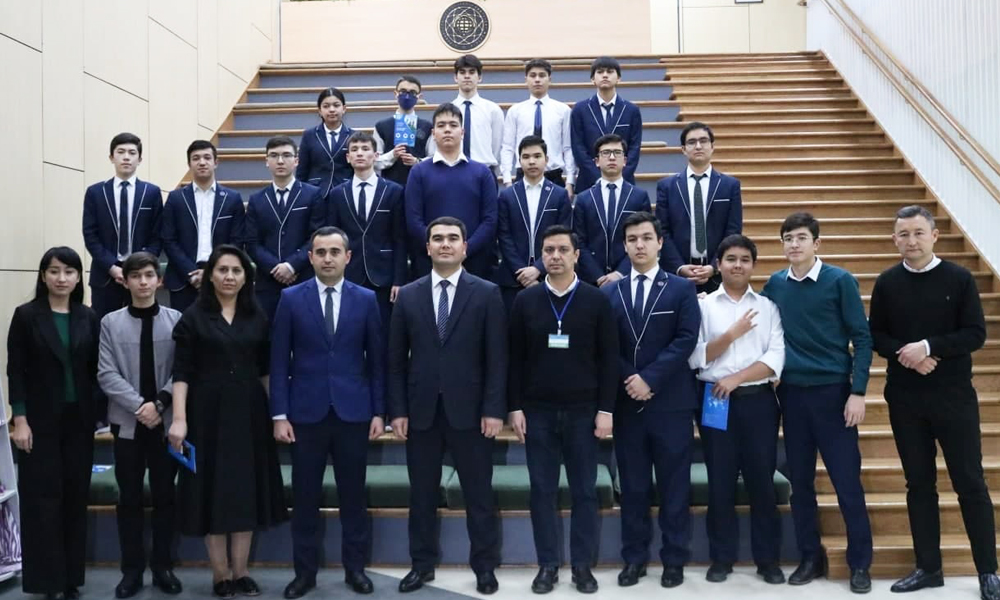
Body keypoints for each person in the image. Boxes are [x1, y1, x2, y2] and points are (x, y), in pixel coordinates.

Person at [869, 205, 1000, 600]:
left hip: (953, 397)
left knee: (970, 482)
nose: (911, 241)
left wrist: (927, 347)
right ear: (894, 239)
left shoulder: (959, 279)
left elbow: (975, 334)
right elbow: (877, 336)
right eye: (903, 234)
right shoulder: (887, 283)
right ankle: (928, 567)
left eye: (918, 233)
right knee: (919, 484)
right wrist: (907, 355)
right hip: (905, 398)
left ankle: (988, 571)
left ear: (934, 235)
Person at [388, 217, 507, 595]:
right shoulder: (408, 295)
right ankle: (421, 565)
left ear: (465, 247)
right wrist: (398, 411)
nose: (445, 244)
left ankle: (484, 567)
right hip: (420, 412)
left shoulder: (486, 292)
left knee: (479, 495)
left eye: (453, 238)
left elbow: (497, 359)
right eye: (437, 238)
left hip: (471, 413)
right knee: (421, 495)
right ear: (427, 248)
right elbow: (395, 361)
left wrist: (493, 409)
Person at [270, 227, 386, 599]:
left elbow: (377, 362)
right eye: (320, 252)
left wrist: (379, 412)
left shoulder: (366, 299)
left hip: (354, 412)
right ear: (311, 257)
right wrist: (279, 414)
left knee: (353, 497)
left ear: (348, 257)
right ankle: (304, 574)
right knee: (305, 499)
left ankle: (356, 569)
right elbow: (278, 360)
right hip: (305, 414)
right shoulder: (290, 298)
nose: (327, 258)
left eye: (335, 251)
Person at [167, 245, 288, 599]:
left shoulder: (257, 316)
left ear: (246, 278)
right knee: (212, 494)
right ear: (210, 276)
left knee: (245, 493)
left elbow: (265, 372)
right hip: (206, 415)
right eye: (222, 270)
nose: (229, 277)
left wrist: (276, 414)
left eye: (237, 271)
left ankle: (242, 572)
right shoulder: (192, 317)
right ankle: (220, 574)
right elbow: (181, 374)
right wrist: (179, 420)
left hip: (250, 414)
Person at [761, 212, 873, 594]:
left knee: (847, 483)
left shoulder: (839, 281)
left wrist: (858, 391)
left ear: (816, 243)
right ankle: (809, 557)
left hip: (834, 395)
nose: (794, 244)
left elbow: (863, 338)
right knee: (801, 484)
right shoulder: (775, 284)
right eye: (787, 238)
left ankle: (860, 564)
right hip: (792, 397)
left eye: (801, 238)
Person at [507, 225, 618, 594]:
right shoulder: (525, 301)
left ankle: (582, 566)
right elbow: (515, 360)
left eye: (562, 250)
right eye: (548, 250)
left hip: (583, 412)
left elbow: (609, 360)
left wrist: (606, 410)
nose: (554, 256)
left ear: (576, 255)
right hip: (537, 412)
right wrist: (514, 407)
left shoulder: (596, 300)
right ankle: (548, 565)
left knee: (584, 491)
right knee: (542, 490)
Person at [603, 212, 700, 590]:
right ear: (624, 246)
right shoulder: (609, 292)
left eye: (646, 237)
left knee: (675, 486)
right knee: (633, 486)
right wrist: (632, 378)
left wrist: (650, 378)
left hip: (671, 403)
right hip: (628, 403)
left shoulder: (680, 288)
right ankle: (634, 558)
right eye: (632, 239)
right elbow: (606, 346)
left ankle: (674, 559)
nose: (639, 245)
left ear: (660, 242)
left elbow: (686, 339)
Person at [687, 234, 785, 585]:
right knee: (720, 481)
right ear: (718, 264)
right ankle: (721, 558)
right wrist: (731, 334)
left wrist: (737, 378)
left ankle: (768, 560)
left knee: (762, 482)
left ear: (753, 265)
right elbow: (696, 356)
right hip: (715, 399)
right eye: (730, 259)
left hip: (758, 402)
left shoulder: (768, 307)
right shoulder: (703, 306)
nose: (738, 265)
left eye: (745, 259)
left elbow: (775, 358)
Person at [7, 247, 99, 600]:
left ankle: (71, 579)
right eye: (55, 271)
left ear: (78, 278)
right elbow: (16, 371)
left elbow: (94, 370)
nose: (62, 278)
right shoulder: (26, 316)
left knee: (75, 499)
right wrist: (20, 420)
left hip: (79, 422)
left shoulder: (88, 317)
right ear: (43, 276)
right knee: (42, 501)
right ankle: (48, 582)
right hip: (39, 422)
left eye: (69, 271)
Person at [97, 252, 183, 598]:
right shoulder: (110, 322)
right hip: (127, 424)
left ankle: (163, 567)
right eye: (136, 276)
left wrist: (159, 403)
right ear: (125, 281)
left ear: (159, 280)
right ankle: (131, 571)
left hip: (165, 424)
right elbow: (106, 373)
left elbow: (184, 370)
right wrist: (139, 406)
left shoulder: (177, 320)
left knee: (165, 497)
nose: (143, 282)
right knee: (129, 498)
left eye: (149, 275)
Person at [404, 103, 498, 280]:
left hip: (473, 263)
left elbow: (490, 220)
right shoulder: (419, 172)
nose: (447, 130)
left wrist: (464, 249)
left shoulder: (482, 172)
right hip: (429, 263)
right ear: (433, 133)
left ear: (462, 132)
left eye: (453, 125)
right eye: (441, 125)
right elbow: (413, 219)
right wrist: (438, 248)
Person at [326, 132, 407, 328]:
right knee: (350, 330)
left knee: (382, 332)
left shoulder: (393, 191)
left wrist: (399, 280)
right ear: (348, 157)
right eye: (354, 150)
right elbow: (332, 239)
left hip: (384, 275)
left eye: (365, 149)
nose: (360, 153)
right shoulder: (337, 194)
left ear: (376, 155)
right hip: (349, 274)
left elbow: (400, 238)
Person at [82, 132, 163, 318]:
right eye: (121, 152)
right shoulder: (96, 192)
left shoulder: (151, 192)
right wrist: (112, 267)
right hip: (105, 274)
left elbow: (157, 235)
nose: (126, 157)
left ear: (139, 159)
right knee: (103, 326)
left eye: (132, 153)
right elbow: (90, 235)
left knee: (142, 325)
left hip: (140, 275)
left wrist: (139, 267)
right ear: (112, 157)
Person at [244, 136, 325, 322]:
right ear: (266, 161)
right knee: (269, 335)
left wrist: (291, 265)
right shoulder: (257, 199)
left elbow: (316, 237)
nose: (280, 161)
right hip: (267, 282)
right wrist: (276, 268)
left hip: (302, 278)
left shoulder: (312, 195)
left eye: (286, 155)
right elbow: (252, 243)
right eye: (274, 155)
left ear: (296, 161)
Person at [655, 122, 742, 293]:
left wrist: (714, 266)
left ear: (712, 146)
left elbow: (733, 231)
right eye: (692, 142)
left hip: (717, 274)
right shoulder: (667, 186)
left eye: (703, 141)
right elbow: (662, 231)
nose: (698, 146)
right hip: (678, 274)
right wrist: (679, 267)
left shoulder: (730, 186)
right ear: (683, 149)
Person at [161, 140, 245, 313]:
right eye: (196, 158)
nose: (202, 162)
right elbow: (169, 240)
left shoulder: (232, 198)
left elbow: (236, 241)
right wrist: (191, 272)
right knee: (184, 328)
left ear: (216, 162)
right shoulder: (176, 198)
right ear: (189, 164)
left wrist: (211, 272)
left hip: (221, 277)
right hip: (183, 279)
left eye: (207, 157)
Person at [496, 136, 572, 313]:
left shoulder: (559, 195)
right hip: (513, 279)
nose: (531, 161)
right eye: (526, 157)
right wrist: (522, 273)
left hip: (550, 276)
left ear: (546, 160)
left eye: (537, 156)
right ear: (519, 161)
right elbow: (504, 236)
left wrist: (538, 268)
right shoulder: (507, 196)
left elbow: (564, 235)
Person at [573, 134, 651, 287]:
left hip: (629, 276)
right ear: (597, 161)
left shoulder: (639, 196)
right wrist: (598, 276)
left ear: (625, 160)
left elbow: (645, 238)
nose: (612, 157)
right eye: (606, 153)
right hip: (592, 280)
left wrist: (620, 273)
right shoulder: (583, 199)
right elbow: (579, 242)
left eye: (617, 153)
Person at [499, 59, 576, 193]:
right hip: (523, 173)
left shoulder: (563, 110)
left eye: (542, 75)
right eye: (533, 75)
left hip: (553, 174)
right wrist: (507, 180)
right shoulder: (515, 111)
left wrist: (570, 181)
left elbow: (568, 147)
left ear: (549, 79)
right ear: (526, 80)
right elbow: (508, 147)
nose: (537, 80)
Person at [570, 56, 642, 193]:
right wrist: (598, 178)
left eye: (610, 71)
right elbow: (578, 147)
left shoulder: (631, 110)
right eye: (600, 72)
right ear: (592, 79)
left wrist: (620, 176)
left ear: (619, 78)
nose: (605, 75)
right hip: (589, 182)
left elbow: (634, 147)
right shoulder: (580, 109)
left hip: (624, 181)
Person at [426, 54, 504, 174]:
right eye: (462, 72)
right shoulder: (446, 112)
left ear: (479, 77)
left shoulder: (493, 110)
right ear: (455, 77)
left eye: (472, 72)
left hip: (483, 170)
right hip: (451, 169)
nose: (467, 76)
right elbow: (435, 146)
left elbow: (497, 146)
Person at [373, 75, 433, 189]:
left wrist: (417, 161)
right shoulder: (381, 126)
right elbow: (375, 161)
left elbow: (433, 158)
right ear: (395, 94)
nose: (407, 96)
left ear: (419, 97)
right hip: (389, 187)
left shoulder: (427, 127)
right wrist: (392, 155)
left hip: (419, 185)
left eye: (413, 93)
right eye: (403, 91)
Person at [296, 87, 355, 195]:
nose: (331, 110)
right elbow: (302, 170)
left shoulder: (353, 136)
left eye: (336, 105)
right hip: (315, 193)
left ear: (344, 108)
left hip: (345, 192)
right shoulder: (309, 135)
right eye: (326, 106)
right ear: (319, 110)